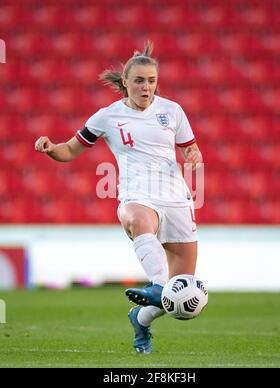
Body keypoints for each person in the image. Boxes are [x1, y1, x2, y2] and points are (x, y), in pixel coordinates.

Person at [34, 41, 203, 354]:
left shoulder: (172, 111)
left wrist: (193, 154)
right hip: (136, 193)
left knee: (182, 293)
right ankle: (156, 285)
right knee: (140, 222)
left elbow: (189, 148)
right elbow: (71, 149)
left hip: (177, 199)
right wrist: (50, 148)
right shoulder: (107, 116)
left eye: (151, 81)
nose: (146, 87)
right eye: (139, 80)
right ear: (125, 82)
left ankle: (141, 318)